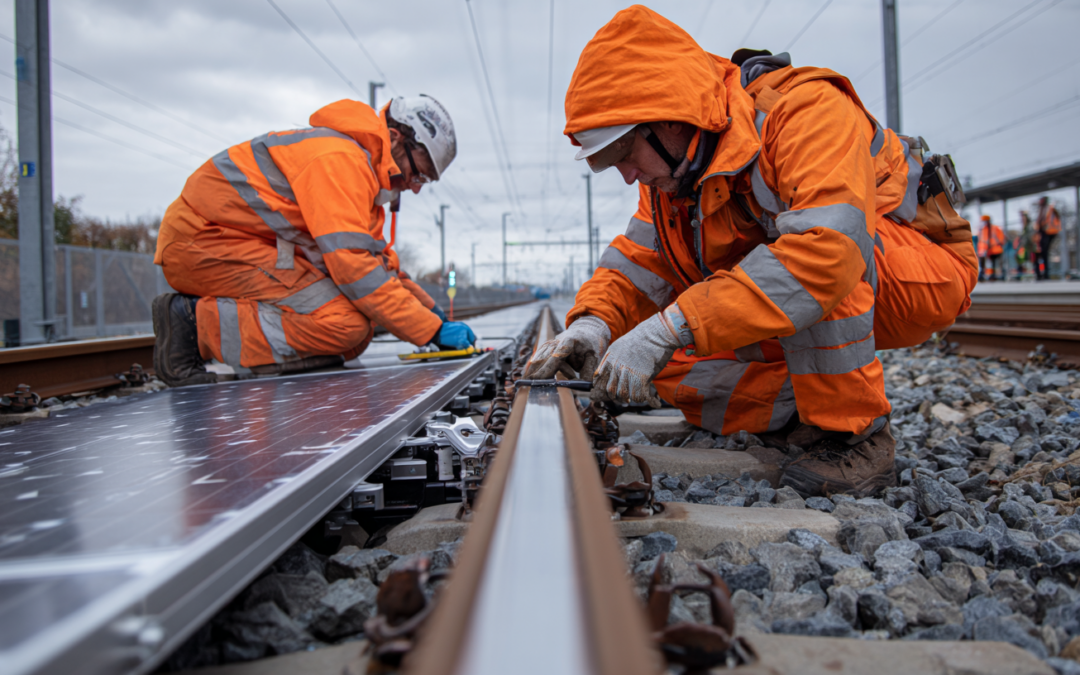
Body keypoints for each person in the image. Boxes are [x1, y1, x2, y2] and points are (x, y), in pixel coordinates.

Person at [525, 6, 977, 498]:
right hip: (819, 278)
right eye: (606, 163)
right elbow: (639, 264)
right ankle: (796, 411)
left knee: (813, 257)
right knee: (653, 363)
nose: (627, 175)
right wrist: (594, 324)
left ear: (672, 118)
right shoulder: (671, 178)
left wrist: (670, 326)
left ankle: (854, 436)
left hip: (916, 271)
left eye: (623, 153)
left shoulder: (803, 110)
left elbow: (828, 251)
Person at [152, 95, 476, 386]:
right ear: (394, 138)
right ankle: (193, 324)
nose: (416, 187)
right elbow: (354, 268)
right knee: (345, 324)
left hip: (239, 244)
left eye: (425, 181)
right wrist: (431, 330)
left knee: (354, 338)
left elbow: (377, 266)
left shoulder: (361, 174)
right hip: (203, 244)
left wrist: (432, 314)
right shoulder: (339, 161)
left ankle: (245, 352)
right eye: (418, 174)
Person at [1035, 196, 1061, 280]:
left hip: (1047, 233)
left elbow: (1043, 222)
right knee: (1042, 254)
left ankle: (1045, 273)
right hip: (1044, 233)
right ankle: (1042, 273)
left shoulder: (1047, 209)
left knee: (1043, 253)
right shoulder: (1045, 209)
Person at [977, 214, 1005, 281]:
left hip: (995, 249)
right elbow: (981, 241)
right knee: (982, 260)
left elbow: (1001, 239)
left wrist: (993, 245)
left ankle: (994, 274)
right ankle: (983, 273)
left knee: (994, 260)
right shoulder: (982, 230)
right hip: (985, 250)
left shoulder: (995, 228)